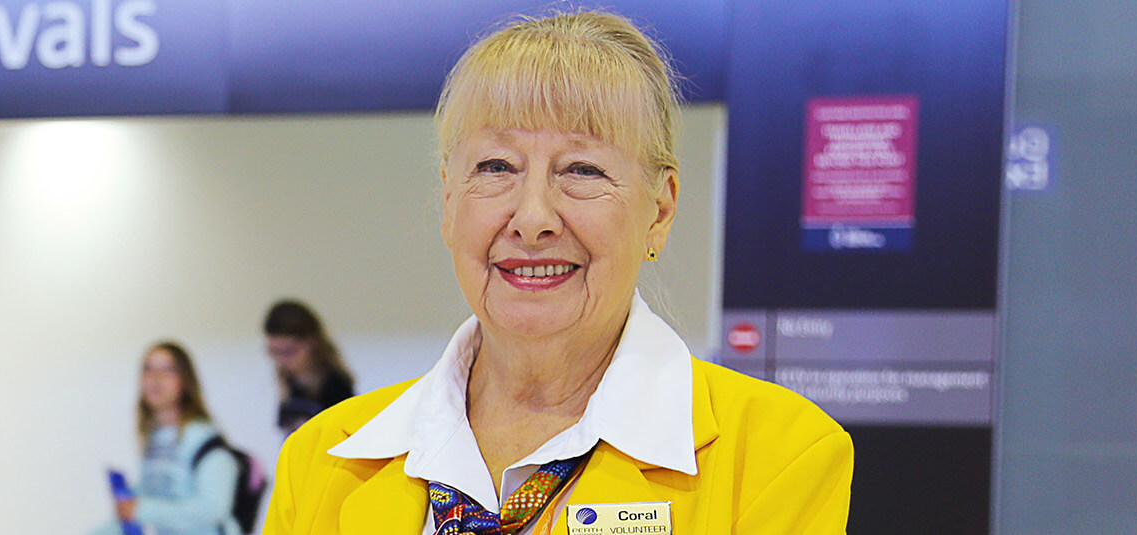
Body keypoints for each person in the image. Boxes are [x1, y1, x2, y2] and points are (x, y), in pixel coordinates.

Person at [263, 11, 853, 534]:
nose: (532, 217)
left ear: (660, 211)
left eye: (583, 170)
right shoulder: (322, 460)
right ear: (448, 202)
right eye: (496, 166)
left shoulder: (780, 455)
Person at [97, 342, 240, 535]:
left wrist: (142, 510)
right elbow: (155, 493)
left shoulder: (205, 441)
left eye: (168, 370)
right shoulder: (153, 438)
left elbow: (214, 508)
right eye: (148, 369)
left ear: (185, 380)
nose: (156, 379)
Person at [263, 300, 354, 434]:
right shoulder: (287, 381)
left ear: (311, 343)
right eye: (273, 351)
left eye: (288, 351)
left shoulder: (337, 386)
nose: (280, 360)